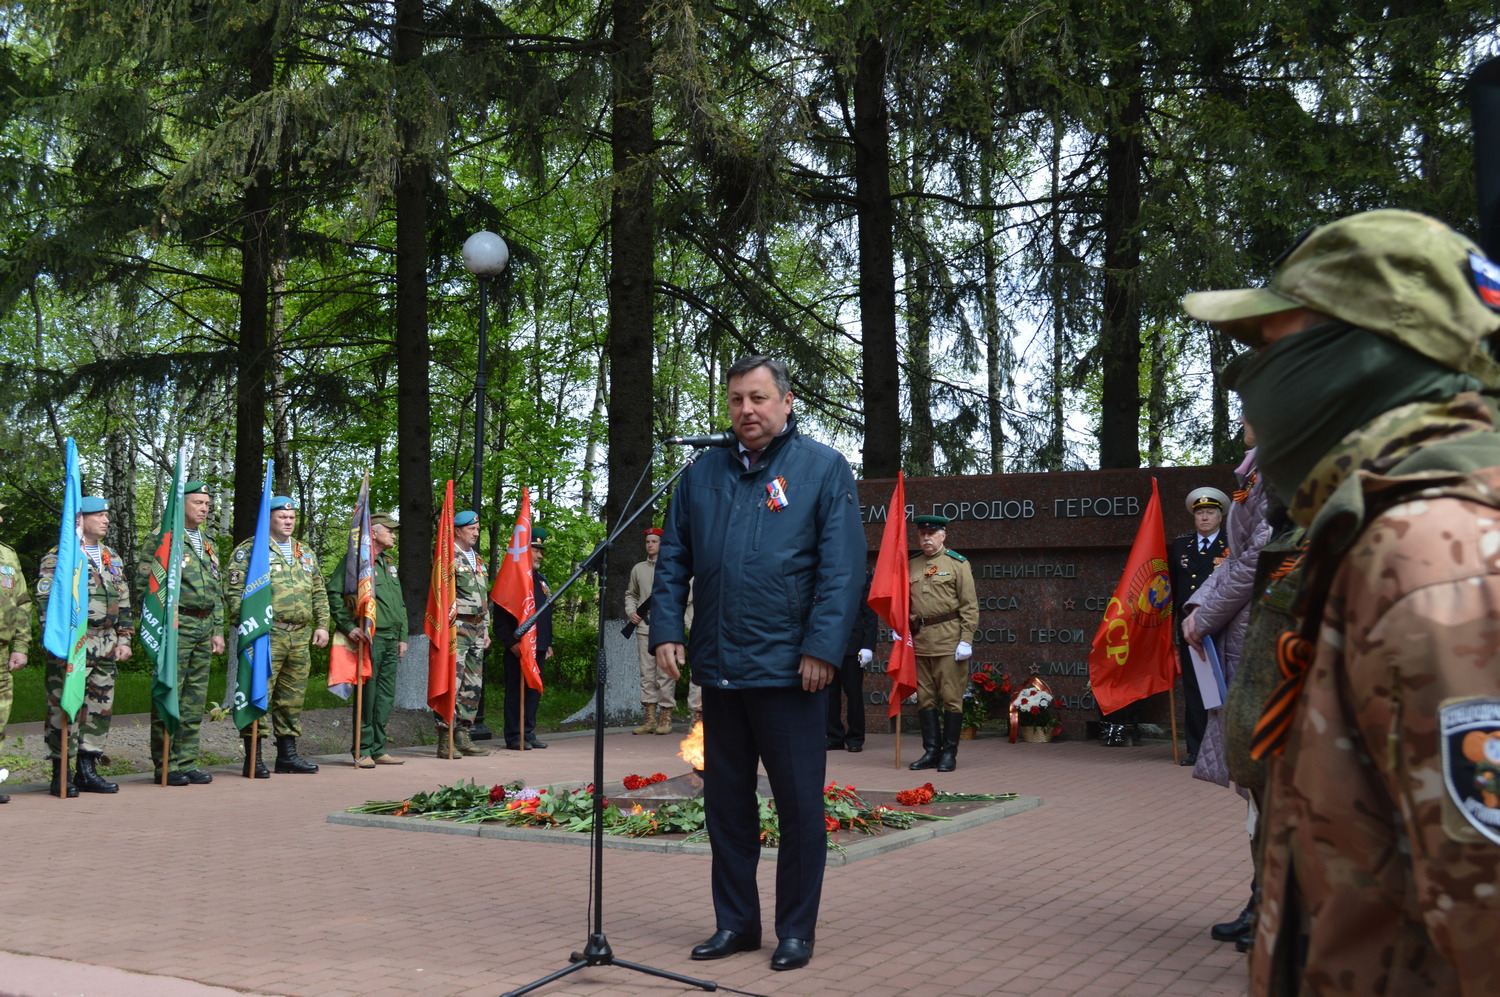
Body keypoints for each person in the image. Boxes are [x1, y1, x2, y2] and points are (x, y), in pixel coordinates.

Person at [1182, 208, 1500, 995]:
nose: (1250, 380)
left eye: (1273, 347)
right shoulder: (1385, 531)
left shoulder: (1434, 562)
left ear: (1361, 358)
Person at [651, 355, 863, 973]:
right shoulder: (701, 473)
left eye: (759, 398)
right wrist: (666, 627)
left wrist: (822, 648)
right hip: (720, 669)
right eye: (737, 399)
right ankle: (736, 925)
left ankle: (795, 930)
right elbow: (673, 561)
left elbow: (842, 570)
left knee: (798, 807)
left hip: (791, 674)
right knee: (727, 807)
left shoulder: (822, 469)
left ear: (787, 402)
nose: (747, 409)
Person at [1180, 419, 1271, 950]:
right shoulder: (1258, 470)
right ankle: (1263, 899)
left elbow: (1258, 555)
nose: (1241, 419)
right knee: (1260, 784)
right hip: (1243, 636)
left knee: (1271, 779)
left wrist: (1206, 612)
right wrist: (1199, 608)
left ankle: (1274, 905)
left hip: (1264, 635)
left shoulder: (1283, 469)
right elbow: (1237, 558)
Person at [224, 495, 330, 778]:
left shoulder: (304, 552)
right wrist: (248, 626)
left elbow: (318, 590)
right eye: (282, 517)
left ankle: (287, 756)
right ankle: (254, 758)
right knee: (258, 692)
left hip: (299, 636)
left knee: (292, 698)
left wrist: (322, 625)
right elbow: (234, 593)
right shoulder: (251, 550)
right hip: (266, 635)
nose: (288, 521)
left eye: (292, 517)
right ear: (268, 518)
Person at [37, 495, 133, 796]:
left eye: (107, 515)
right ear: (80, 519)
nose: (106, 520)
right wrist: (59, 643)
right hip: (73, 644)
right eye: (99, 515)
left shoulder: (111, 557)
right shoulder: (60, 556)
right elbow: (46, 604)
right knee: (65, 706)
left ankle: (87, 770)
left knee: (99, 708)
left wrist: (125, 637)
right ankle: (60, 771)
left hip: (105, 643)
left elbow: (124, 599)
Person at [141, 482, 225, 786]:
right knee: (169, 692)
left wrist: (217, 629)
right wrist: (158, 623)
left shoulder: (208, 542)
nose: (203, 508)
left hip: (203, 627)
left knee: (194, 698)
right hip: (175, 627)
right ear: (181, 505)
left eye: (206, 504)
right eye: (197, 503)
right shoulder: (163, 539)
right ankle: (166, 763)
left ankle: (188, 760)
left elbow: (216, 590)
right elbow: (146, 584)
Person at [326, 511, 408, 767]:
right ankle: (362, 750)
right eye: (390, 530)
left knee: (385, 696)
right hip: (370, 639)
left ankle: (378, 747)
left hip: (391, 637)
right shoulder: (356, 562)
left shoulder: (388, 563)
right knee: (368, 696)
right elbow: (334, 591)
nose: (393, 534)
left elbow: (399, 603)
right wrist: (348, 626)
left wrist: (403, 636)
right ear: (373, 532)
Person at [907, 515, 978, 773]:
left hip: (949, 642)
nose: (926, 538)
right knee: (925, 700)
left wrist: (966, 640)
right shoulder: (912, 564)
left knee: (951, 699)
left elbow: (969, 606)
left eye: (932, 533)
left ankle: (949, 753)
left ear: (943, 535)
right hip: (921, 641)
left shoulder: (957, 564)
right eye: (922, 534)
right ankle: (931, 751)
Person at [1167, 487, 1228, 765]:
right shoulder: (1181, 546)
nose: (1204, 518)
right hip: (1188, 627)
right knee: (1194, 687)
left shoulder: (1232, 543)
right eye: (1200, 513)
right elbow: (1172, 587)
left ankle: (1226, 746)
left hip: (1221, 625)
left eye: (1210, 513)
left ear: (1220, 516)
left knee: (1222, 685)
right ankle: (1197, 747)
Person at [625, 527, 696, 735]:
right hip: (645, 627)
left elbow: (687, 593)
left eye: (654, 541)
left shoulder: (675, 567)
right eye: (648, 541)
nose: (650, 545)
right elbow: (631, 594)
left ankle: (666, 718)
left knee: (665, 673)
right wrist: (631, 612)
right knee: (646, 674)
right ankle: (650, 719)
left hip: (667, 627)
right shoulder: (638, 569)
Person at [437, 509, 491, 757]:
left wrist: (486, 628)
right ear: (458, 530)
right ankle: (444, 737)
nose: (476, 533)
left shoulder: (477, 559)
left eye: (478, 529)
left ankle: (463, 734)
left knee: (473, 683)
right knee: (452, 681)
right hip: (456, 627)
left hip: (477, 628)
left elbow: (484, 598)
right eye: (471, 529)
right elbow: (441, 596)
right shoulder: (447, 557)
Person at [494, 525, 553, 750]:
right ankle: (513, 735)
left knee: (533, 690)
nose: (540, 555)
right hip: (519, 647)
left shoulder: (541, 579)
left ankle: (527, 732)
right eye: (535, 549)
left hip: (538, 646)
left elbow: (546, 613)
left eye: (541, 550)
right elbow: (500, 619)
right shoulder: (512, 579)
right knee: (515, 691)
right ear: (524, 550)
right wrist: (511, 643)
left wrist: (548, 643)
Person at [0, 500, 33, 805]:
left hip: (2, 650)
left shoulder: (7, 554)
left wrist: (21, 646)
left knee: (0, 716)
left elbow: (22, 602)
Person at [827, 570, 876, 752]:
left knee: (853, 694)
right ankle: (833, 736)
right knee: (830, 694)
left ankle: (855, 738)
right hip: (831, 645)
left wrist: (868, 645)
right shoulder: (827, 573)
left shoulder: (861, 576)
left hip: (853, 645)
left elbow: (870, 613)